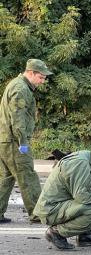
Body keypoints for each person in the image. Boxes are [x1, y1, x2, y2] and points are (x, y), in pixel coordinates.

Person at [0, 59, 53, 223]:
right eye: (41, 77)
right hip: (15, 142)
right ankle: (38, 213)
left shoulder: (17, 85)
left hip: (6, 140)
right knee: (27, 176)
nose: (43, 81)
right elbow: (18, 118)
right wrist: (22, 142)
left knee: (5, 177)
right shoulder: (21, 88)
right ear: (31, 73)